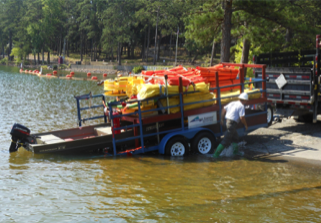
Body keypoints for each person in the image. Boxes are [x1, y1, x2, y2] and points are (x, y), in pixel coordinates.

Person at [213, 92, 249, 158]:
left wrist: (221, 119)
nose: (246, 101)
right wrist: (246, 125)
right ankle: (215, 155)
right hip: (232, 124)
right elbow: (242, 118)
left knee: (235, 137)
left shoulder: (233, 103)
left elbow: (223, 109)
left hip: (227, 122)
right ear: (244, 100)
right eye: (246, 100)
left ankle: (235, 152)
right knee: (226, 140)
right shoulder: (241, 106)